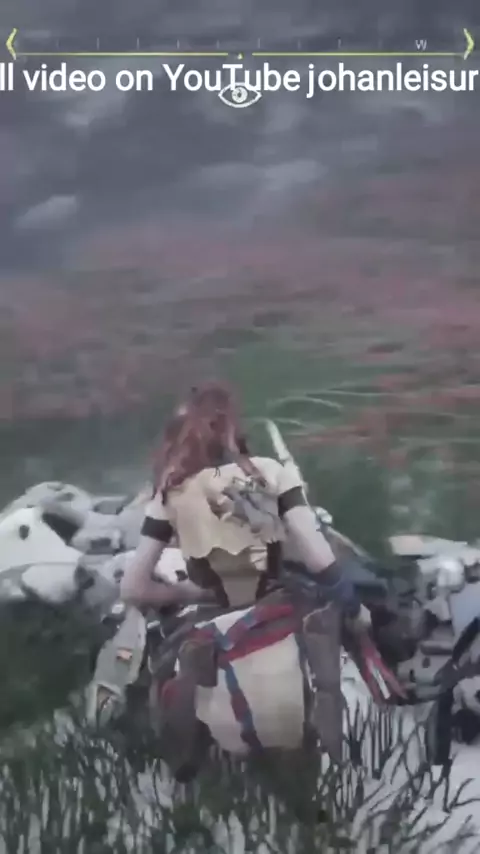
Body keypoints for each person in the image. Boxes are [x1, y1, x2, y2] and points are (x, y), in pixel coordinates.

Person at [120, 382, 370, 769]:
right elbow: (318, 557)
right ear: (232, 426)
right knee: (345, 630)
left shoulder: (169, 493)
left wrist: (189, 592)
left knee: (156, 657)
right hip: (277, 602)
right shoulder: (272, 472)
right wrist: (352, 605)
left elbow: (133, 589)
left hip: (214, 611)